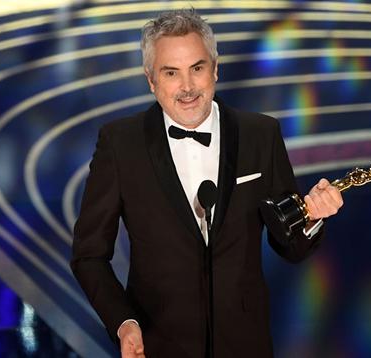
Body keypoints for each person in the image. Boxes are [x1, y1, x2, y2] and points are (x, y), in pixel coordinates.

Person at [70, 8, 343, 358]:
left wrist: (312, 217)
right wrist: (124, 323)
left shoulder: (260, 134)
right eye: (171, 73)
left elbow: (289, 246)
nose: (187, 87)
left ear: (215, 68)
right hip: (157, 347)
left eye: (197, 68)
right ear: (151, 80)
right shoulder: (120, 144)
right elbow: (89, 256)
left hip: (246, 347)